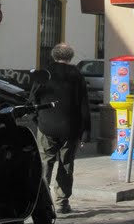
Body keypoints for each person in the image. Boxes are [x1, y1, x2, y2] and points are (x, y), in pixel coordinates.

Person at [34, 43, 91, 214]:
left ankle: (42, 203)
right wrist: (86, 132)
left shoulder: (44, 74)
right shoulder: (77, 75)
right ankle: (61, 203)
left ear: (53, 55)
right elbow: (84, 105)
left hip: (46, 126)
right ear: (70, 57)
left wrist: (38, 120)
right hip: (71, 128)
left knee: (44, 163)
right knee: (66, 164)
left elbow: (33, 99)